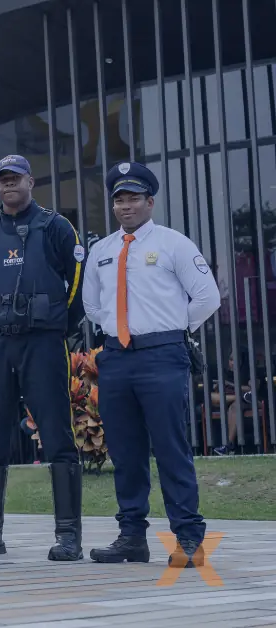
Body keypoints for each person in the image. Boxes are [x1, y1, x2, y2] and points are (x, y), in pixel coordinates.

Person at [83, 162, 220, 567]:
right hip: (116, 358)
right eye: (119, 199)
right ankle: (131, 537)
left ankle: (189, 539)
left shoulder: (174, 243)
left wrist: (176, 328)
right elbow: (92, 304)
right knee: (125, 452)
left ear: (150, 202)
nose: (126, 206)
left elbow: (207, 297)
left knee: (170, 448)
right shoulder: (102, 250)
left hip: (163, 356)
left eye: (134, 199)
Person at [0, 154, 85, 560]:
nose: (9, 185)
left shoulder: (57, 227)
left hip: (43, 344)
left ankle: (68, 536)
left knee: (57, 436)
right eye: (3, 179)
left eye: (16, 178)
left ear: (31, 181)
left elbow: (78, 285)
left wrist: (56, 326)